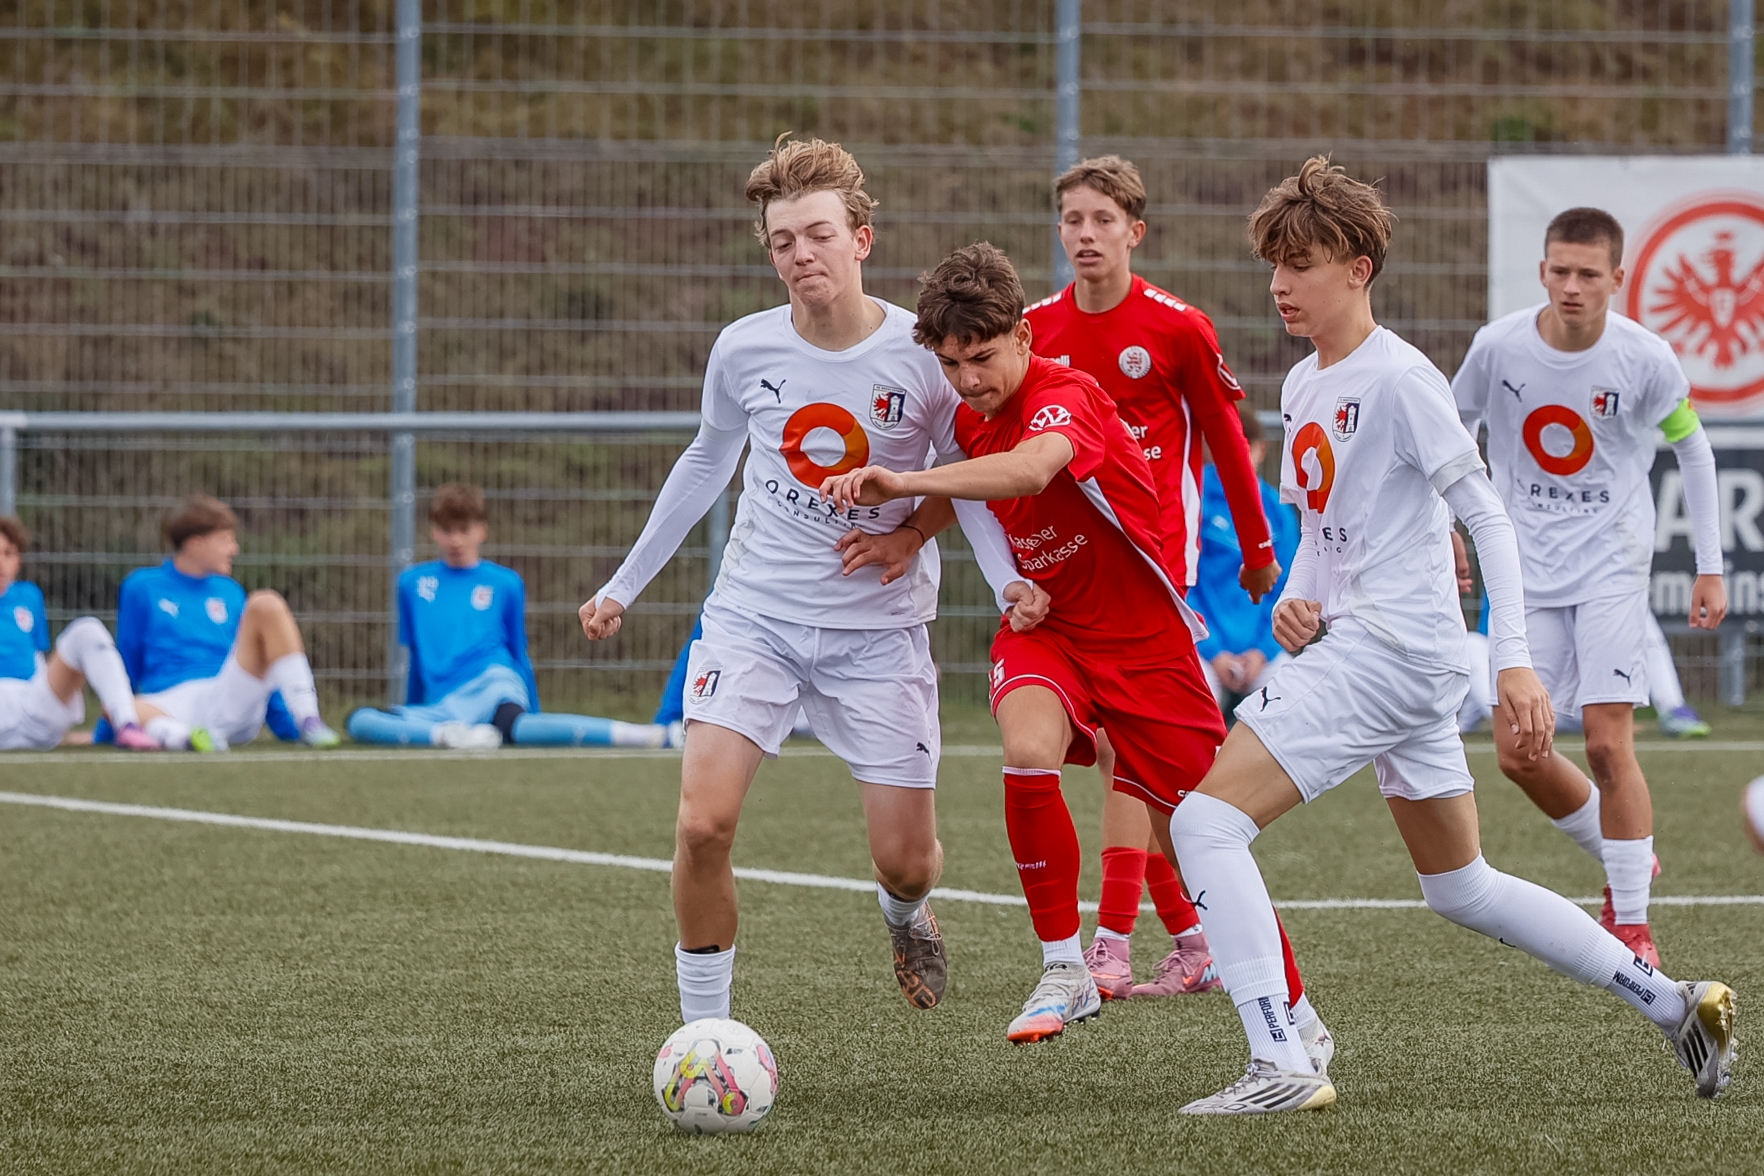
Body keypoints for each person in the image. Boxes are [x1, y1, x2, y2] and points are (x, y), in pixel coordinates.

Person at [1163, 157, 1735, 1114]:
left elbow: (1488, 518)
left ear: (1359, 268)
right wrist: (1297, 599)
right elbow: (1321, 533)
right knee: (1461, 887)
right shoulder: (1303, 383)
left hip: (1389, 652)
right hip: (1393, 656)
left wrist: (1513, 662)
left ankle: (1281, 1057)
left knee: (1203, 823)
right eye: (1274, 266)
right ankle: (1675, 1003)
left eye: (1300, 264)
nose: (1280, 285)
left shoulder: (1402, 378)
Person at [820, 243, 1328, 1060]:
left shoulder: (1068, 395)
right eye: (950, 364)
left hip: (1144, 642)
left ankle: (1298, 1021)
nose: (968, 380)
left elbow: (1026, 471)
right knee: (1027, 749)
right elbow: (973, 477)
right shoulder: (971, 411)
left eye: (982, 357)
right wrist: (917, 539)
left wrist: (905, 487)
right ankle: (1066, 967)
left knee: (1204, 837)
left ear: (1023, 335)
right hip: (1047, 628)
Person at [577, 136, 1033, 1026]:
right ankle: (706, 1036)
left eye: (818, 235)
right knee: (702, 824)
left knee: (907, 862)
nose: (801, 255)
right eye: (783, 241)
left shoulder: (924, 355)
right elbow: (706, 462)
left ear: (861, 239)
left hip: (879, 633)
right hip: (755, 620)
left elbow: (966, 479)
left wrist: (988, 573)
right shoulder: (742, 349)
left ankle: (905, 914)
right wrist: (622, 586)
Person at [1026, 154, 1281, 1001]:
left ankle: (1114, 939)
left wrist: (1257, 550)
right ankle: (1190, 937)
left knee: (1121, 750)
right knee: (1128, 755)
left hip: (1155, 567)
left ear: (1134, 231)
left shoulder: (1176, 328)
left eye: (1103, 220)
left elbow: (1229, 442)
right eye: (1073, 220)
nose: (1086, 234)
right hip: (1070, 572)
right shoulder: (1035, 330)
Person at [1452, 207, 1728, 967]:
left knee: (1607, 743)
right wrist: (1448, 522)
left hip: (1613, 565)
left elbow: (1694, 451)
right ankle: (1624, 850)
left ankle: (1631, 921)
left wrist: (1710, 566)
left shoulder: (1645, 358)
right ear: (1543, 271)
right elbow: (1453, 429)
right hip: (1524, 570)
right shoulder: (1498, 346)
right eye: (1560, 271)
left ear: (1618, 278)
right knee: (1518, 753)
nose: (1572, 286)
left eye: (1588, 274)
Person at [347, 484, 668, 749]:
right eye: (446, 530)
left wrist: (535, 713)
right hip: (445, 704)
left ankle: (648, 736)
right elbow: (417, 655)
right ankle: (450, 736)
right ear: (433, 532)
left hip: (494, 684)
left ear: (481, 530)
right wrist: (416, 709)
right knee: (360, 720)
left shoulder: (505, 583)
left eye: (464, 529)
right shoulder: (412, 583)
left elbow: (518, 652)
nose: (455, 540)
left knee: (519, 727)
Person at [116, 495, 340, 751]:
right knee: (119, 705)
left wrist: (289, 728)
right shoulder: (142, 586)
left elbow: (260, 660)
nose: (234, 549)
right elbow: (126, 661)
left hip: (227, 698)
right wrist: (108, 726)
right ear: (196, 545)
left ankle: (308, 720)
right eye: (225, 540)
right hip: (168, 704)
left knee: (266, 603)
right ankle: (188, 738)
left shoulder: (230, 591)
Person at [0, 516, 155, 751]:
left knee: (87, 629)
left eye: (8, 553)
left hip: (31, 709)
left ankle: (127, 723)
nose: (1, 563)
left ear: (18, 559)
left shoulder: (29, 596)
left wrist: (61, 685)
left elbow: (36, 656)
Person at [1190, 408, 1300, 714]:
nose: (1237, 456)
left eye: (1246, 446)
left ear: (1261, 450)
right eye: (1228, 447)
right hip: (1201, 649)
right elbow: (1181, 584)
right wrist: (1212, 650)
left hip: (1261, 653)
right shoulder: (1193, 499)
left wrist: (1263, 651)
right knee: (1192, 709)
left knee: (1294, 705)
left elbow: (1289, 586)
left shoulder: (1278, 510)